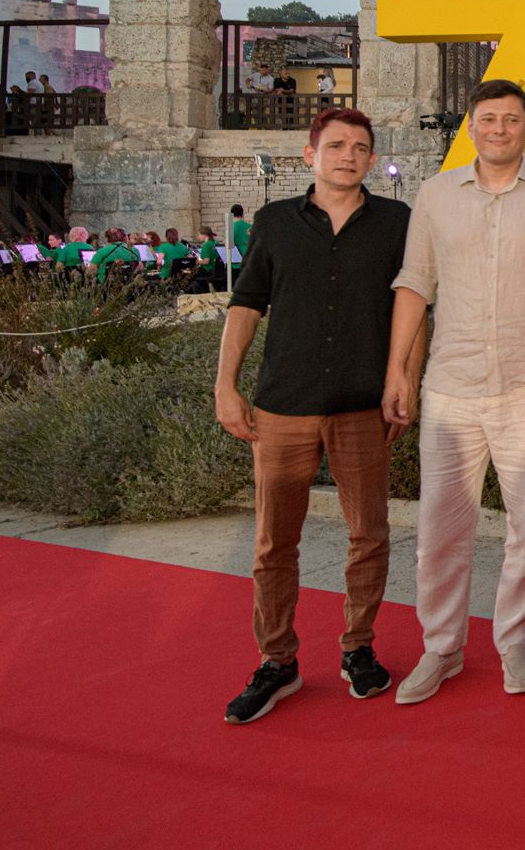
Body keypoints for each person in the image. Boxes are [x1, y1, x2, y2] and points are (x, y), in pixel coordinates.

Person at [212, 107, 412, 724]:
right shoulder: (274, 221)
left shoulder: (397, 223)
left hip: (362, 406)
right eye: (336, 145)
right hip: (283, 406)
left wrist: (404, 378)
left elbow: (413, 306)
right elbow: (246, 304)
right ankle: (277, 661)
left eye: (360, 147)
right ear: (310, 154)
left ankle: (359, 647)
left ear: (372, 159)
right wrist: (225, 385)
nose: (348, 156)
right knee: (275, 542)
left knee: (369, 533)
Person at [384, 79, 525, 706]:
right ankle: (441, 647)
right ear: (470, 126)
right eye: (488, 119)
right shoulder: (436, 194)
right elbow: (415, 283)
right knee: (441, 528)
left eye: (511, 120)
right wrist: (397, 372)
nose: (499, 129)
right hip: (452, 387)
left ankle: (514, 641)